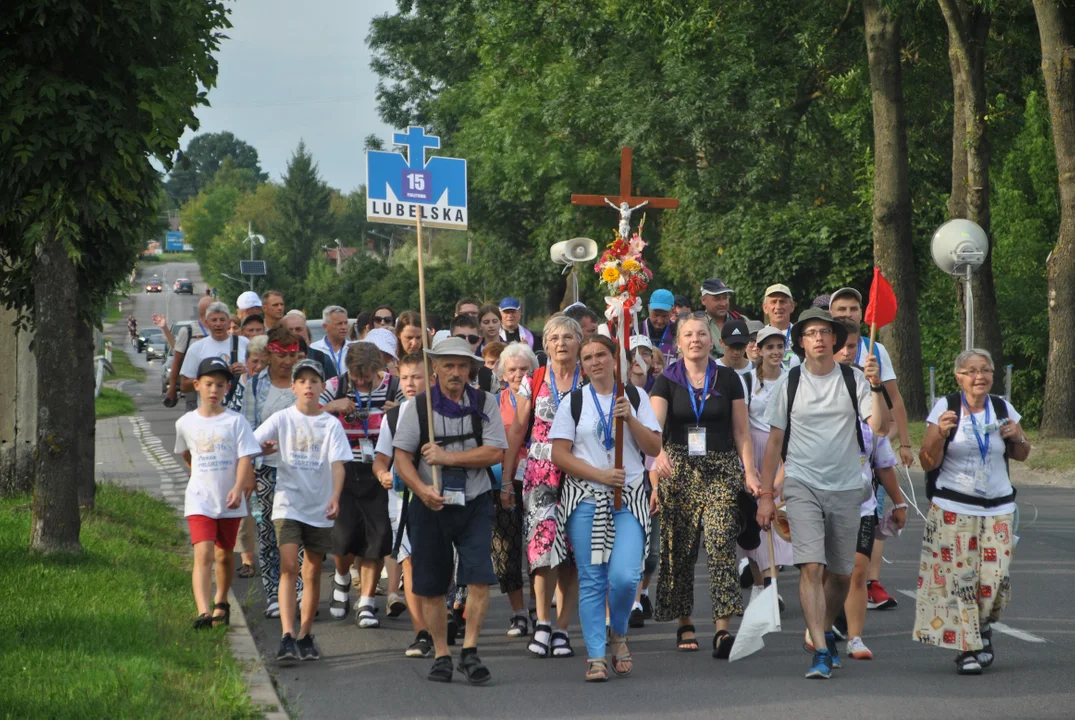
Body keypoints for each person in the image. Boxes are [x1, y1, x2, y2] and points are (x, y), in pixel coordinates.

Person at [756, 308, 887, 679]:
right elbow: (774, 442)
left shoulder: (855, 379)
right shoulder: (790, 382)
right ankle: (819, 649)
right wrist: (767, 495)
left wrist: (876, 387)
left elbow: (879, 427)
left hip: (847, 486)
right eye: (810, 332)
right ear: (801, 341)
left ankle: (825, 628)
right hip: (801, 483)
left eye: (824, 332)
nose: (818, 338)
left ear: (835, 340)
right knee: (812, 566)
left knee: (843, 574)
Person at [392, 336, 507, 684]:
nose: (455, 372)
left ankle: (470, 650)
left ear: (471, 369)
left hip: (474, 501)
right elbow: (401, 458)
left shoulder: (486, 403)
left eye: (461, 365)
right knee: (431, 583)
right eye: (448, 365)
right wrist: (421, 489)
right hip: (430, 504)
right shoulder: (417, 407)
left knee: (479, 576)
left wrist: (448, 457)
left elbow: (494, 453)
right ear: (435, 369)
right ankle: (442, 653)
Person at [549, 335, 663, 681]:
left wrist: (631, 419)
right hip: (586, 499)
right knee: (593, 579)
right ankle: (596, 656)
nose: (595, 361)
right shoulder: (574, 402)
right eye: (587, 357)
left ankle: (619, 632)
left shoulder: (636, 396)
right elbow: (559, 454)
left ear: (616, 359)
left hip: (627, 498)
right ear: (582, 365)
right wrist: (600, 474)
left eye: (601, 354)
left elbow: (655, 447)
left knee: (626, 576)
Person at [649, 314, 758, 659]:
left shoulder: (728, 379)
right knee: (680, 549)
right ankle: (685, 622)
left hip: (721, 467)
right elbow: (655, 431)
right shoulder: (666, 381)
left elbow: (742, 432)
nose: (695, 340)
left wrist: (750, 472)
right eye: (688, 335)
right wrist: (658, 457)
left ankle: (722, 630)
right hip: (678, 471)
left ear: (712, 341)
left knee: (720, 539)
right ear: (678, 342)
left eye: (701, 334)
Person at [915, 348, 1030, 675]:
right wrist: (939, 433)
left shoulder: (1002, 407)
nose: (979, 377)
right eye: (971, 371)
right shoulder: (946, 407)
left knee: (992, 580)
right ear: (959, 376)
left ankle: (982, 626)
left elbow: (1022, 453)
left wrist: (1018, 437)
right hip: (954, 506)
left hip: (999, 508)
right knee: (959, 580)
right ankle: (967, 647)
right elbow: (927, 460)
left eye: (985, 370)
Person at [254, 359, 351, 663]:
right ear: (293, 386)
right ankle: (286, 634)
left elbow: (338, 464)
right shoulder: (282, 418)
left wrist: (336, 496)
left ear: (323, 387)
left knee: (311, 571)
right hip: (288, 503)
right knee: (288, 568)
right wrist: (264, 450)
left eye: (314, 380)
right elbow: (249, 445)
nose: (308, 386)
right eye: (302, 381)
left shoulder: (331, 425)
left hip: (319, 506)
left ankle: (306, 634)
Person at [829, 286, 914, 611]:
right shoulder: (822, 350)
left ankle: (870, 581)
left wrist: (901, 441)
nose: (847, 314)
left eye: (853, 309)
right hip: (832, 458)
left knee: (874, 516)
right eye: (841, 309)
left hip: (870, 448)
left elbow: (895, 400)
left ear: (862, 314)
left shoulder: (874, 349)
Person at [504, 315, 584, 659]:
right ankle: (542, 623)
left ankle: (563, 628)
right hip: (540, 473)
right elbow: (518, 429)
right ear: (546, 344)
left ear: (580, 342)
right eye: (555, 338)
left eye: (568, 337)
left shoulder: (591, 377)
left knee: (574, 555)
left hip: (581, 473)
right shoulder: (534, 379)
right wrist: (507, 479)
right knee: (541, 549)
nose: (561, 343)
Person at [320, 342, 403, 628]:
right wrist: (331, 407)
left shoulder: (395, 386)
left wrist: (400, 412)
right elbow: (306, 417)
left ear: (377, 368)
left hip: (380, 470)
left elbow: (416, 416)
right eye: (355, 375)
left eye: (366, 375)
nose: (360, 381)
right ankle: (342, 579)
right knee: (343, 539)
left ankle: (366, 601)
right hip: (342, 469)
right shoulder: (335, 384)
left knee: (376, 539)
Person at [174, 357, 260, 629]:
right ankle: (202, 611)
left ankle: (221, 600)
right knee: (204, 554)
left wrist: (237, 487)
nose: (213, 390)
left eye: (220, 385)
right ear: (197, 385)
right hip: (200, 498)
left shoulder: (235, 421)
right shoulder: (185, 422)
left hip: (230, 499)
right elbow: (187, 453)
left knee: (224, 555)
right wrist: (197, 472)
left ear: (227, 388)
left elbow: (246, 456)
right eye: (208, 384)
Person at [373, 352, 432, 657]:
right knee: (409, 562)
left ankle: (439, 622)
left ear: (430, 378)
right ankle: (421, 632)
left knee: (436, 564)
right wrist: (383, 473)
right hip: (402, 499)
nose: (410, 383)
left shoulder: (441, 413)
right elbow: (381, 459)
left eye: (417, 376)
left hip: (437, 498)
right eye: (405, 377)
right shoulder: (393, 416)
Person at [244, 326, 303, 618]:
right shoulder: (255, 385)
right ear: (269, 353)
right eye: (281, 354)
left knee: (299, 536)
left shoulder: (303, 382)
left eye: (292, 355)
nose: (287, 362)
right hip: (266, 471)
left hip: (301, 471)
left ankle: (300, 595)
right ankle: (273, 595)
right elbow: (245, 430)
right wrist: (249, 466)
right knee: (268, 534)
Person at [739, 326, 792, 607]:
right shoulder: (747, 382)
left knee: (775, 521)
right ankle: (761, 584)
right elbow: (741, 425)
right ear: (758, 350)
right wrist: (748, 467)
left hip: (782, 451)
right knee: (752, 522)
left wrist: (784, 470)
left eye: (779, 347)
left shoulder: (792, 380)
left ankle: (772, 587)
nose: (775, 352)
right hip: (753, 453)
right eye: (769, 347)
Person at [494, 341, 540, 638]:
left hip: (539, 477)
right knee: (505, 548)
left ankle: (538, 609)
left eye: (524, 369)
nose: (519, 374)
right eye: (512, 369)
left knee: (538, 547)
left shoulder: (544, 398)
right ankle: (518, 613)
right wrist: (505, 481)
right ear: (502, 373)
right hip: (505, 478)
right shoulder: (494, 403)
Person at [179, 302, 248, 405]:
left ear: (229, 323)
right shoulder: (196, 348)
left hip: (240, 409)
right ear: (206, 323)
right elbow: (184, 386)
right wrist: (212, 377)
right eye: (214, 320)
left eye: (222, 320)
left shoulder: (245, 343)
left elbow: (260, 373)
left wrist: (245, 371)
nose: (218, 324)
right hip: (209, 412)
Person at [164, 295, 213, 408]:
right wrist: (172, 387)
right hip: (193, 383)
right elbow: (177, 359)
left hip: (215, 383)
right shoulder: (188, 331)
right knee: (193, 413)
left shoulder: (220, 331)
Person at [281, 310, 337, 382]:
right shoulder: (275, 359)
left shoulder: (322, 359)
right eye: (290, 330)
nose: (294, 333)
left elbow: (334, 388)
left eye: (298, 329)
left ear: (306, 330)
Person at [700, 277, 748, 359]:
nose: (723, 303)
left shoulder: (742, 321)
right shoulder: (697, 324)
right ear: (703, 300)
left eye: (725, 298)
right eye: (717, 299)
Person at [451, 314, 496, 391]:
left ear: (479, 341)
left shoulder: (489, 376)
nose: (466, 342)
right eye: (460, 338)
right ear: (450, 339)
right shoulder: (438, 372)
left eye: (472, 339)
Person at [761, 284, 799, 370]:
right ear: (765, 308)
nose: (778, 307)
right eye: (773, 302)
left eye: (782, 302)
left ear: (792, 306)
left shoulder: (801, 335)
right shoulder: (759, 337)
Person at [311, 305, 351, 379]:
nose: (344, 327)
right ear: (325, 327)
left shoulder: (354, 348)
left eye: (345, 323)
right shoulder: (314, 349)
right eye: (339, 324)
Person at [641, 289, 678, 367]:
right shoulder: (636, 331)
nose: (660, 321)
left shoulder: (678, 332)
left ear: (672, 310)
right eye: (656, 315)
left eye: (664, 316)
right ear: (648, 308)